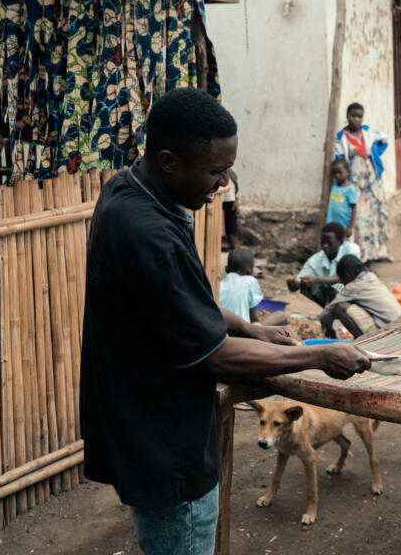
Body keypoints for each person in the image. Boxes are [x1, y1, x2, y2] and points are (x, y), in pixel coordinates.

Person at [80, 88, 369, 555]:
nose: (224, 183)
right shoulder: (150, 234)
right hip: (164, 442)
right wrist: (318, 355)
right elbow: (215, 357)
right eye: (215, 171)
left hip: (139, 422)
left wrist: (250, 328)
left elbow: (179, 299)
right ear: (170, 161)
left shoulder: (128, 190)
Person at [335, 102, 390, 261]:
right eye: (353, 116)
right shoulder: (341, 138)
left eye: (359, 116)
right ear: (347, 116)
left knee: (376, 216)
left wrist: (375, 155)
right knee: (360, 219)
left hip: (372, 184)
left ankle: (378, 253)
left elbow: (384, 140)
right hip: (355, 185)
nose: (356, 120)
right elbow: (339, 159)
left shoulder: (368, 132)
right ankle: (362, 257)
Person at [320, 255, 401, 339]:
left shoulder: (353, 287)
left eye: (342, 279)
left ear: (348, 275)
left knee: (340, 307)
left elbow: (327, 311)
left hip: (387, 332)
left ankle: (365, 341)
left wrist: (328, 331)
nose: (342, 283)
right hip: (399, 325)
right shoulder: (371, 277)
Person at [288, 222, 361, 308]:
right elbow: (300, 281)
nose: (325, 246)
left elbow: (347, 276)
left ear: (340, 242)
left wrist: (317, 279)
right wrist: (295, 284)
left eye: (329, 243)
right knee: (306, 286)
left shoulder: (351, 249)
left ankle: (340, 311)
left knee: (337, 287)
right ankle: (330, 311)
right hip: (329, 294)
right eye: (322, 243)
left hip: (353, 290)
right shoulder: (315, 260)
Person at [219, 248, 263, 323]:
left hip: (222, 329)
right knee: (280, 316)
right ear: (250, 271)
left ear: (226, 269)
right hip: (242, 330)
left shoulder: (220, 285)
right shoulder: (250, 281)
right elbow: (254, 319)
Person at [326, 159, 358, 238]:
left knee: (342, 246)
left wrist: (350, 227)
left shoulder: (350, 189)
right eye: (335, 173)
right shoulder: (333, 185)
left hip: (343, 226)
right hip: (331, 224)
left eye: (340, 172)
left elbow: (354, 208)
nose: (337, 175)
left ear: (347, 172)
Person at [223, 168, 241, 249]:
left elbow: (234, 187)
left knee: (232, 231)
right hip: (216, 202)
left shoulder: (229, 170)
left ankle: (238, 254)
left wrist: (236, 199)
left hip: (230, 201)